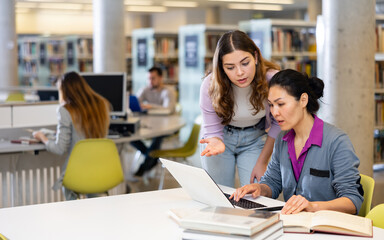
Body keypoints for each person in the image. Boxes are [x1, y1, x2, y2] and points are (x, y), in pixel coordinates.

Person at [230, 69, 364, 215]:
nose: (274, 112)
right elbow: (273, 183)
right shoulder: (282, 139)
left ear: (303, 100)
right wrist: (260, 189)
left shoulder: (337, 142)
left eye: (281, 104)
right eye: (271, 105)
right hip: (295, 226)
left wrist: (312, 206)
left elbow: (352, 200)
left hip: (327, 230)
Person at [199, 30, 280, 187]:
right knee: (220, 196)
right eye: (230, 67)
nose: (240, 73)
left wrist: (263, 162)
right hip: (221, 136)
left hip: (256, 139)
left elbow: (278, 124)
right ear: (221, 68)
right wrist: (215, 141)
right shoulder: (210, 85)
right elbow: (213, 130)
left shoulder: (273, 80)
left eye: (245, 63)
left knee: (256, 197)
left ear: (255, 57)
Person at [33, 71, 110, 200]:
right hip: (100, 170)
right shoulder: (102, 104)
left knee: (71, 186)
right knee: (96, 203)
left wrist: (43, 138)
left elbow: (60, 148)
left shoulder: (65, 110)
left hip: (78, 173)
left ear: (65, 90)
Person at [131, 66, 177, 176]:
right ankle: (153, 157)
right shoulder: (145, 89)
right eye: (149, 78)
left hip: (169, 126)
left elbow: (168, 109)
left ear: (161, 78)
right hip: (151, 124)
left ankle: (144, 167)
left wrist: (149, 106)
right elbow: (135, 104)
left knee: (158, 136)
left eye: (153, 78)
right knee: (130, 135)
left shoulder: (168, 91)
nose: (150, 81)